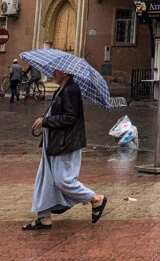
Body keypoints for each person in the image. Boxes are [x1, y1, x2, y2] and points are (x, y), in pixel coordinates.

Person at [25, 69, 107, 230]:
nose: (52, 74)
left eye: (56, 71)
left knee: (63, 180)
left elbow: (71, 117)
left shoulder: (71, 90)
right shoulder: (61, 89)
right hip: (54, 143)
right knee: (46, 179)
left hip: (65, 144)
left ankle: (95, 198)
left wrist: (46, 121)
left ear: (65, 73)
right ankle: (44, 217)